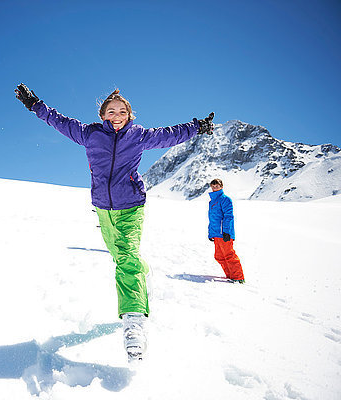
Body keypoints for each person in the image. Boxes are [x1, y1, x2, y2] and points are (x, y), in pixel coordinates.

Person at [15, 84, 215, 361]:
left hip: (131, 206)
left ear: (130, 114)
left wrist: (198, 126)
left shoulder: (140, 136)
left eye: (122, 111)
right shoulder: (90, 134)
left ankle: (134, 325)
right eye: (111, 111)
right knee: (123, 257)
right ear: (103, 115)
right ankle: (141, 282)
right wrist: (35, 104)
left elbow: (171, 135)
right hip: (102, 209)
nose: (117, 114)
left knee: (127, 260)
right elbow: (58, 120)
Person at [208, 178, 245, 283]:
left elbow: (228, 216)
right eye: (213, 186)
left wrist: (227, 232)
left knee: (229, 255)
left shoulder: (225, 199)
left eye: (217, 186)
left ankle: (238, 277)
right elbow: (212, 219)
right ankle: (231, 276)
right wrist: (211, 233)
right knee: (219, 256)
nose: (215, 188)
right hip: (216, 233)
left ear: (221, 186)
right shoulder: (212, 201)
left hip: (224, 233)